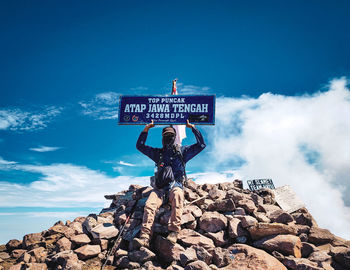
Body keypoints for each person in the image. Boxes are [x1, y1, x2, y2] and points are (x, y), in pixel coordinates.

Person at [133, 119, 206, 248]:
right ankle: (144, 237)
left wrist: (192, 127)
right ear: (162, 138)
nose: (168, 138)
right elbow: (140, 146)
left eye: (171, 136)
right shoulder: (158, 154)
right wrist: (146, 129)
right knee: (150, 204)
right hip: (160, 189)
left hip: (176, 186)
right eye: (166, 136)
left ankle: (173, 232)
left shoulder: (182, 152)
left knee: (178, 196)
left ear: (175, 137)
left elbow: (201, 145)